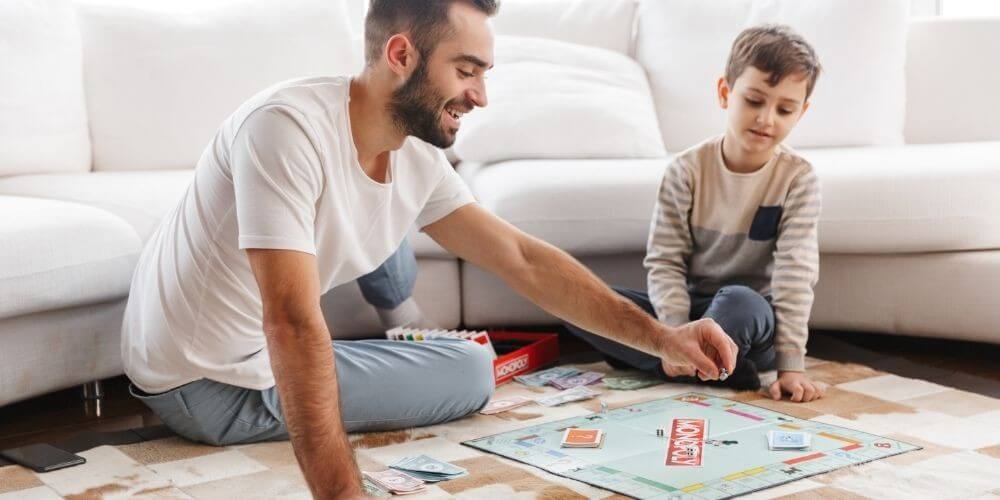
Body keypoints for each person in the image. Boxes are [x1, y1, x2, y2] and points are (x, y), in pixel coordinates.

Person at [120, 1, 738, 498]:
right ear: (400, 54)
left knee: (406, 254)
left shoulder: (412, 153)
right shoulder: (284, 128)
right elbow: (289, 320)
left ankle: (390, 331)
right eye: (466, 71)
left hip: (234, 339)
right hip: (199, 384)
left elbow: (519, 259)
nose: (480, 96)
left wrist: (665, 338)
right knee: (470, 369)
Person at [565, 24, 826, 403]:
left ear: (800, 113)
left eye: (784, 109)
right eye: (754, 101)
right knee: (581, 299)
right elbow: (666, 261)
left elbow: (794, 276)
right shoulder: (685, 170)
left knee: (741, 301)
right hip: (689, 312)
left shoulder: (798, 178)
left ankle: (684, 367)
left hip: (749, 321)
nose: (767, 119)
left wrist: (791, 366)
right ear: (725, 93)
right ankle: (706, 369)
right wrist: (675, 335)